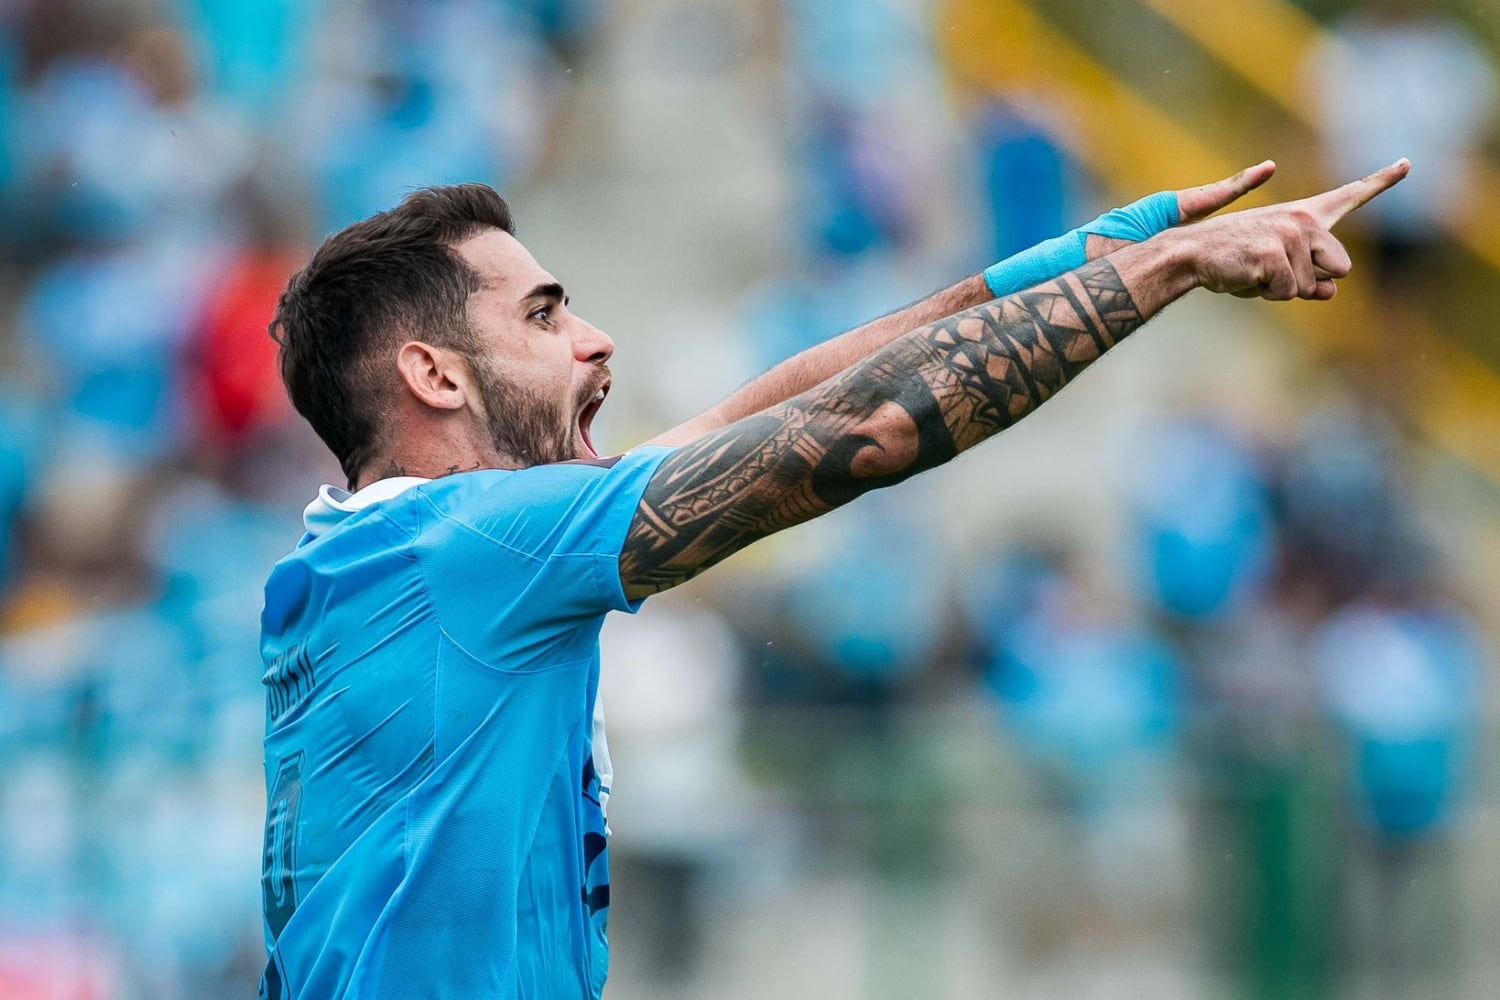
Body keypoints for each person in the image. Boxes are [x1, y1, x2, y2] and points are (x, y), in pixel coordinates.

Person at [257, 157, 1408, 998]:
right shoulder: (474, 548)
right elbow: (870, 430)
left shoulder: (382, 554)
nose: (596, 339)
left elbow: (771, 407)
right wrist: (1163, 273)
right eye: (547, 314)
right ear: (433, 375)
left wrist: (1090, 252)